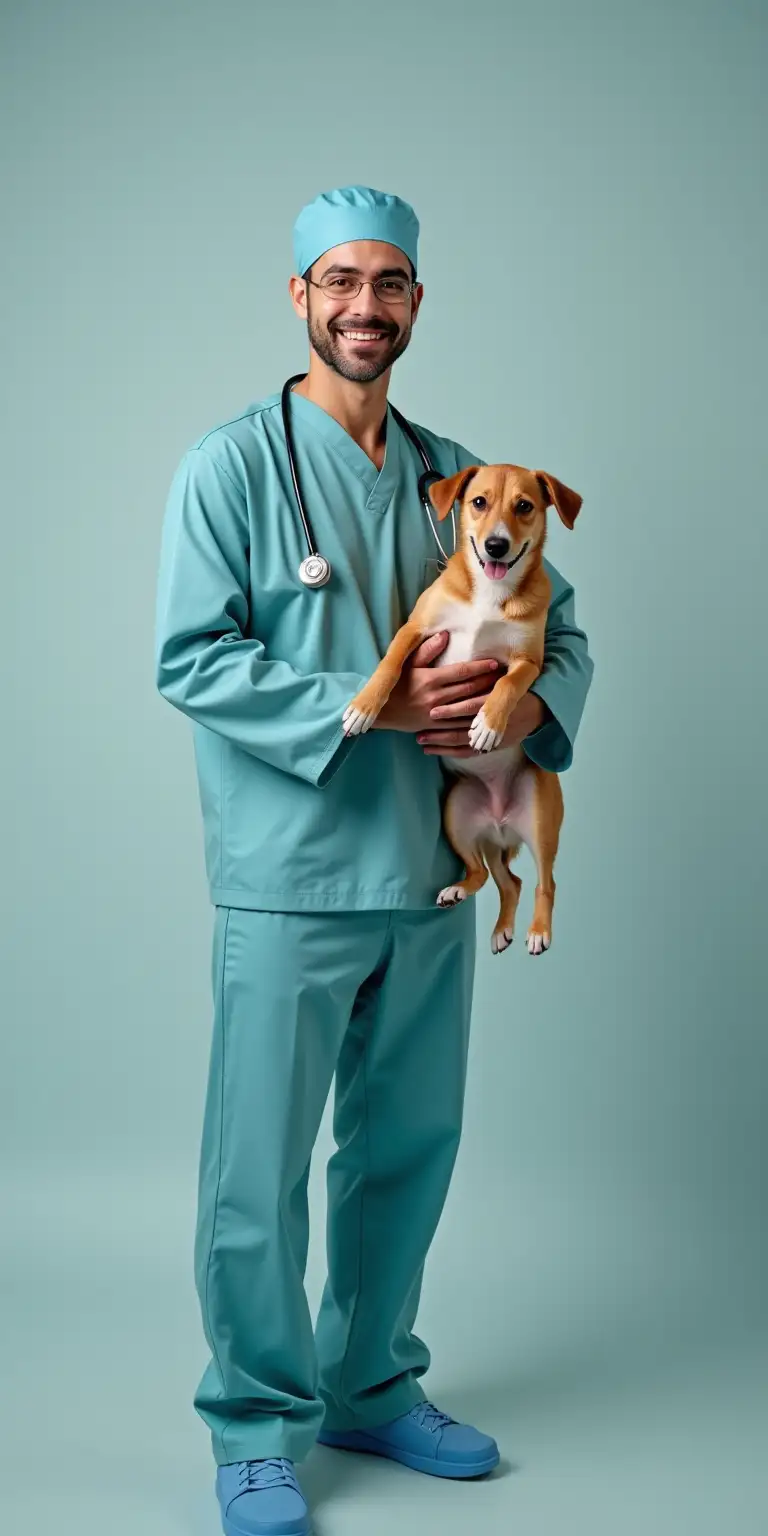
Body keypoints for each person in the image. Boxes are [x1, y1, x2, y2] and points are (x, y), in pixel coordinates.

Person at [154, 184, 594, 1536]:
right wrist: (379, 699)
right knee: (257, 1168)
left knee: (406, 1149)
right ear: (299, 297)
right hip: (289, 872)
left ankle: (369, 1385)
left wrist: (525, 707)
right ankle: (252, 1422)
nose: (363, 306)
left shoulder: (466, 480)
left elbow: (558, 641)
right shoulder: (229, 468)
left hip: (431, 874)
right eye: (338, 281)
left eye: (388, 282)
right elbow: (191, 658)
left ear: (415, 303)